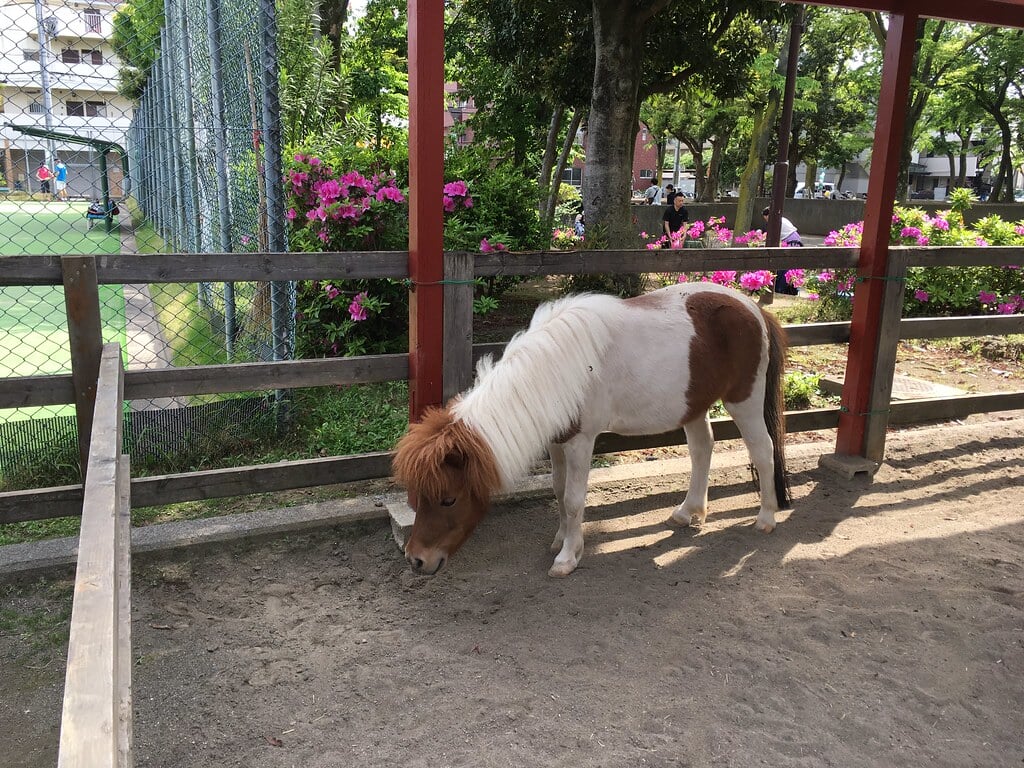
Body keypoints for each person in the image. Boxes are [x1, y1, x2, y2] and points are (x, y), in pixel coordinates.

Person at [762, 207, 801, 294]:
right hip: (794, 238)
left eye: (767, 219)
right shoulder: (782, 219)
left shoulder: (775, 221)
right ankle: (785, 287)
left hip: (791, 241)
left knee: (786, 264)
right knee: (788, 264)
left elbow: (770, 236)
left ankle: (783, 288)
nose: (767, 221)